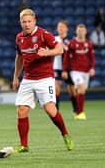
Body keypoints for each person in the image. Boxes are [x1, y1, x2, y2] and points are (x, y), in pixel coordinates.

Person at [12, 9, 74, 153]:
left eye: (29, 21)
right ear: (20, 23)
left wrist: (48, 52)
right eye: (24, 22)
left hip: (45, 78)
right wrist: (16, 76)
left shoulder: (43, 34)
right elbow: (19, 58)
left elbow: (60, 49)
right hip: (28, 78)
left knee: (50, 109)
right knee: (21, 110)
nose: (27, 24)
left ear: (35, 21)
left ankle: (65, 134)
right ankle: (24, 145)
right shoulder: (19, 37)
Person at [62, 24, 96, 120]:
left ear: (85, 32)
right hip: (75, 71)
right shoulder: (71, 43)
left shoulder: (89, 43)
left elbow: (92, 57)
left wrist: (92, 68)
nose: (81, 32)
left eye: (82, 30)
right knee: (80, 87)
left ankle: (78, 111)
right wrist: (64, 70)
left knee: (82, 91)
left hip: (85, 71)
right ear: (76, 32)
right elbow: (66, 58)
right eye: (79, 31)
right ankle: (80, 113)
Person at [53, 20, 77, 112]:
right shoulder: (54, 39)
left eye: (62, 26)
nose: (61, 28)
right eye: (59, 27)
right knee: (56, 87)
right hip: (57, 66)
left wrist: (65, 47)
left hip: (69, 68)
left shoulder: (71, 40)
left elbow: (74, 53)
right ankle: (56, 111)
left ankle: (76, 109)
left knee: (71, 89)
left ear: (67, 28)